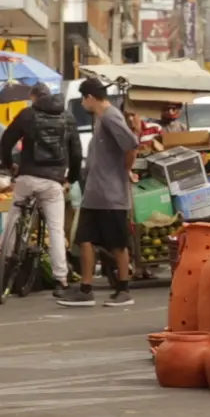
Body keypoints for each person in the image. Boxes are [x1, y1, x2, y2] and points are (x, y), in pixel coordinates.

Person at [59, 78, 139, 308]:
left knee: (117, 244)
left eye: (84, 98)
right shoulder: (100, 118)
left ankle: (123, 289)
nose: (83, 103)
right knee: (84, 239)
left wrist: (125, 169)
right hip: (95, 193)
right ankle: (86, 289)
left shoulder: (111, 116)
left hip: (112, 194)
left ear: (90, 98)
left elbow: (131, 145)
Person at [0, 83, 83, 296]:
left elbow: (6, 141)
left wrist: (10, 165)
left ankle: (2, 258)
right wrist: (70, 179)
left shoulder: (28, 114)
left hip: (27, 176)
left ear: (34, 97)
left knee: (14, 214)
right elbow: (76, 154)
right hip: (53, 181)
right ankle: (61, 279)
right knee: (55, 229)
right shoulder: (68, 117)